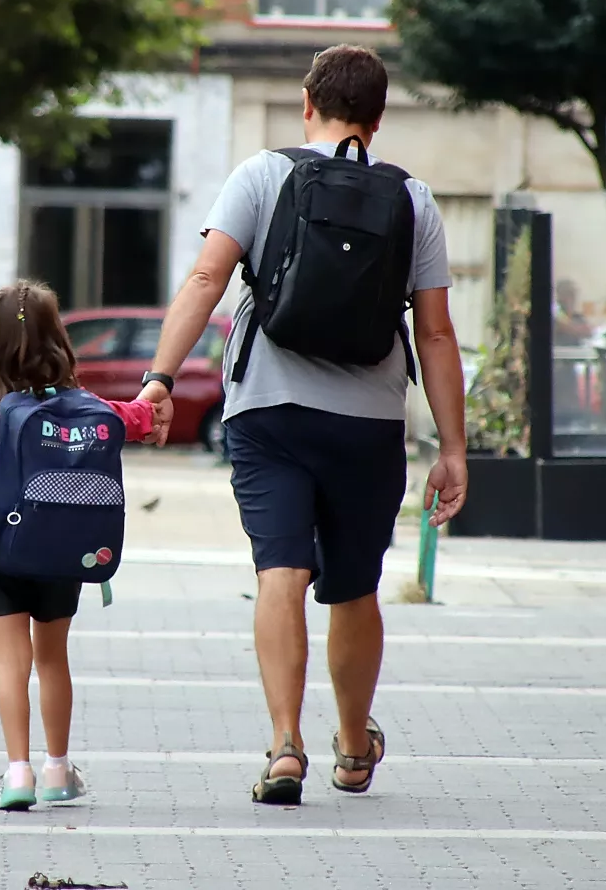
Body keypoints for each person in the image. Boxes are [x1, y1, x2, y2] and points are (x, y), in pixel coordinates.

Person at [135, 45, 468, 804]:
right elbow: (436, 334)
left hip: (268, 410)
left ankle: (285, 746)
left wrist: (159, 378)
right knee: (354, 586)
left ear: (306, 104)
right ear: (378, 121)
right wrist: (452, 447)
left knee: (279, 570)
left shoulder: (262, 174)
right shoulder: (412, 199)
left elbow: (206, 280)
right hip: (369, 420)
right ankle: (354, 748)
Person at [0, 280, 170, 811]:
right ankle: (59, 771)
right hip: (67, 550)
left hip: (1, 548)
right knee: (53, 657)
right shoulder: (83, 405)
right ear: (59, 340)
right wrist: (155, 396)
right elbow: (136, 416)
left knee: (11, 661)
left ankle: (18, 775)